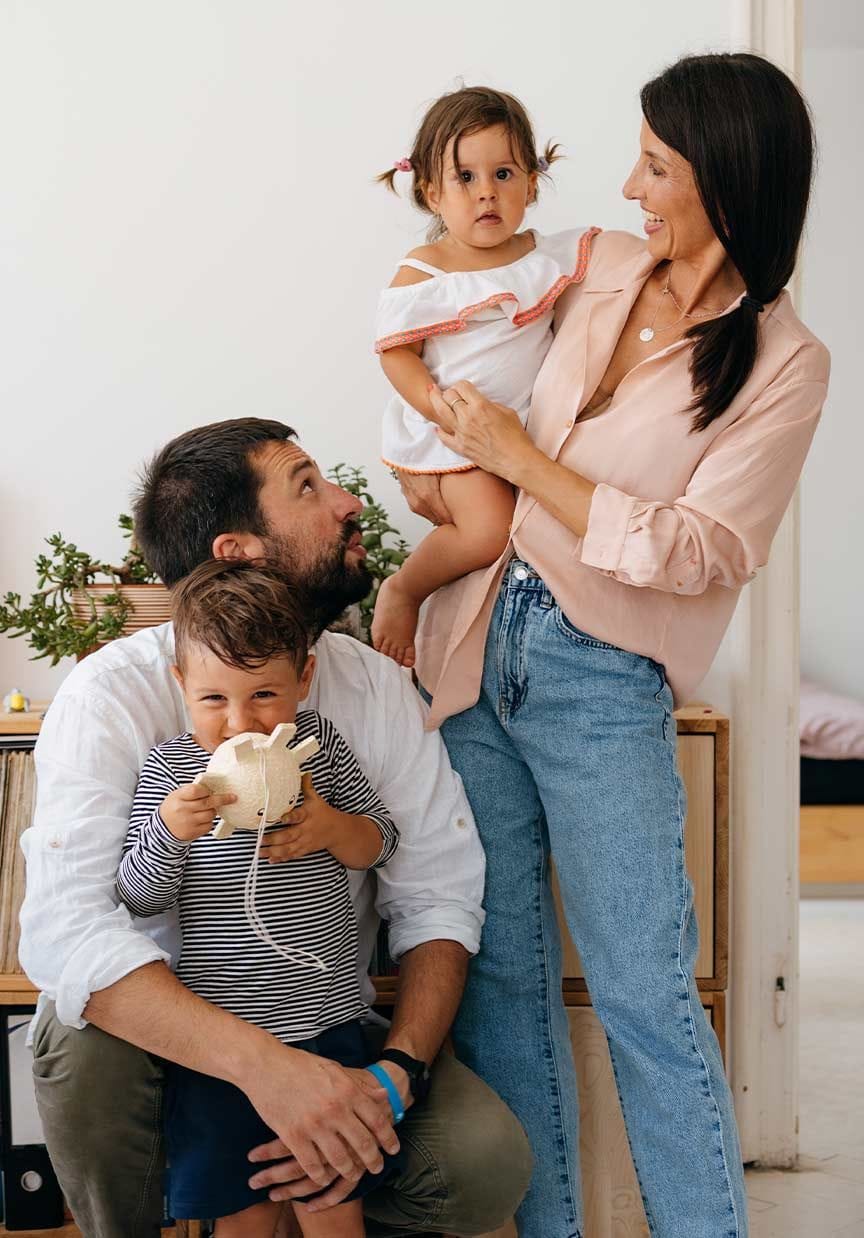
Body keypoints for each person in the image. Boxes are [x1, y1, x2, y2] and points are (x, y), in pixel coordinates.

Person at [398, 53, 829, 1238]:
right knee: (504, 981)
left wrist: (529, 466)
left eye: (655, 163)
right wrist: (427, 466)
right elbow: (441, 299)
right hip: (473, 638)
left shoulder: (787, 363)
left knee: (646, 992)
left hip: (599, 677)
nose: (631, 185)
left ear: (728, 184)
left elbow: (704, 549)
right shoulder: (590, 263)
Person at [19, 418, 533, 1238]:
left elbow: (435, 888)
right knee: (77, 1043)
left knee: (482, 1166)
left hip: (327, 1015)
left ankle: (346, 1162)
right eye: (308, 486)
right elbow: (67, 932)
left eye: (263, 695)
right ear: (239, 551)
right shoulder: (116, 702)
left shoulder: (358, 698)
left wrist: (391, 1077)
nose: (347, 502)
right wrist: (268, 1074)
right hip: (189, 1039)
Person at [118, 558, 402, 1237]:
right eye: (214, 699)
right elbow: (138, 896)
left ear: (304, 679)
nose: (240, 721)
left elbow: (381, 844)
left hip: (327, 1029)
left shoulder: (318, 751)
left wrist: (330, 825)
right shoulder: (168, 770)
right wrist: (169, 832)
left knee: (334, 1209)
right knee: (245, 1219)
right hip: (223, 1046)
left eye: (264, 696)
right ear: (181, 685)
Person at [371, 85, 597, 669]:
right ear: (431, 192)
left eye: (502, 173)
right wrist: (438, 409)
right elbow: (397, 353)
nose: (486, 192)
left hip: (517, 433)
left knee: (530, 536)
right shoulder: (427, 272)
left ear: (532, 184)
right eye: (465, 178)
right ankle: (404, 589)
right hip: (456, 430)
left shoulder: (544, 257)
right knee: (487, 532)